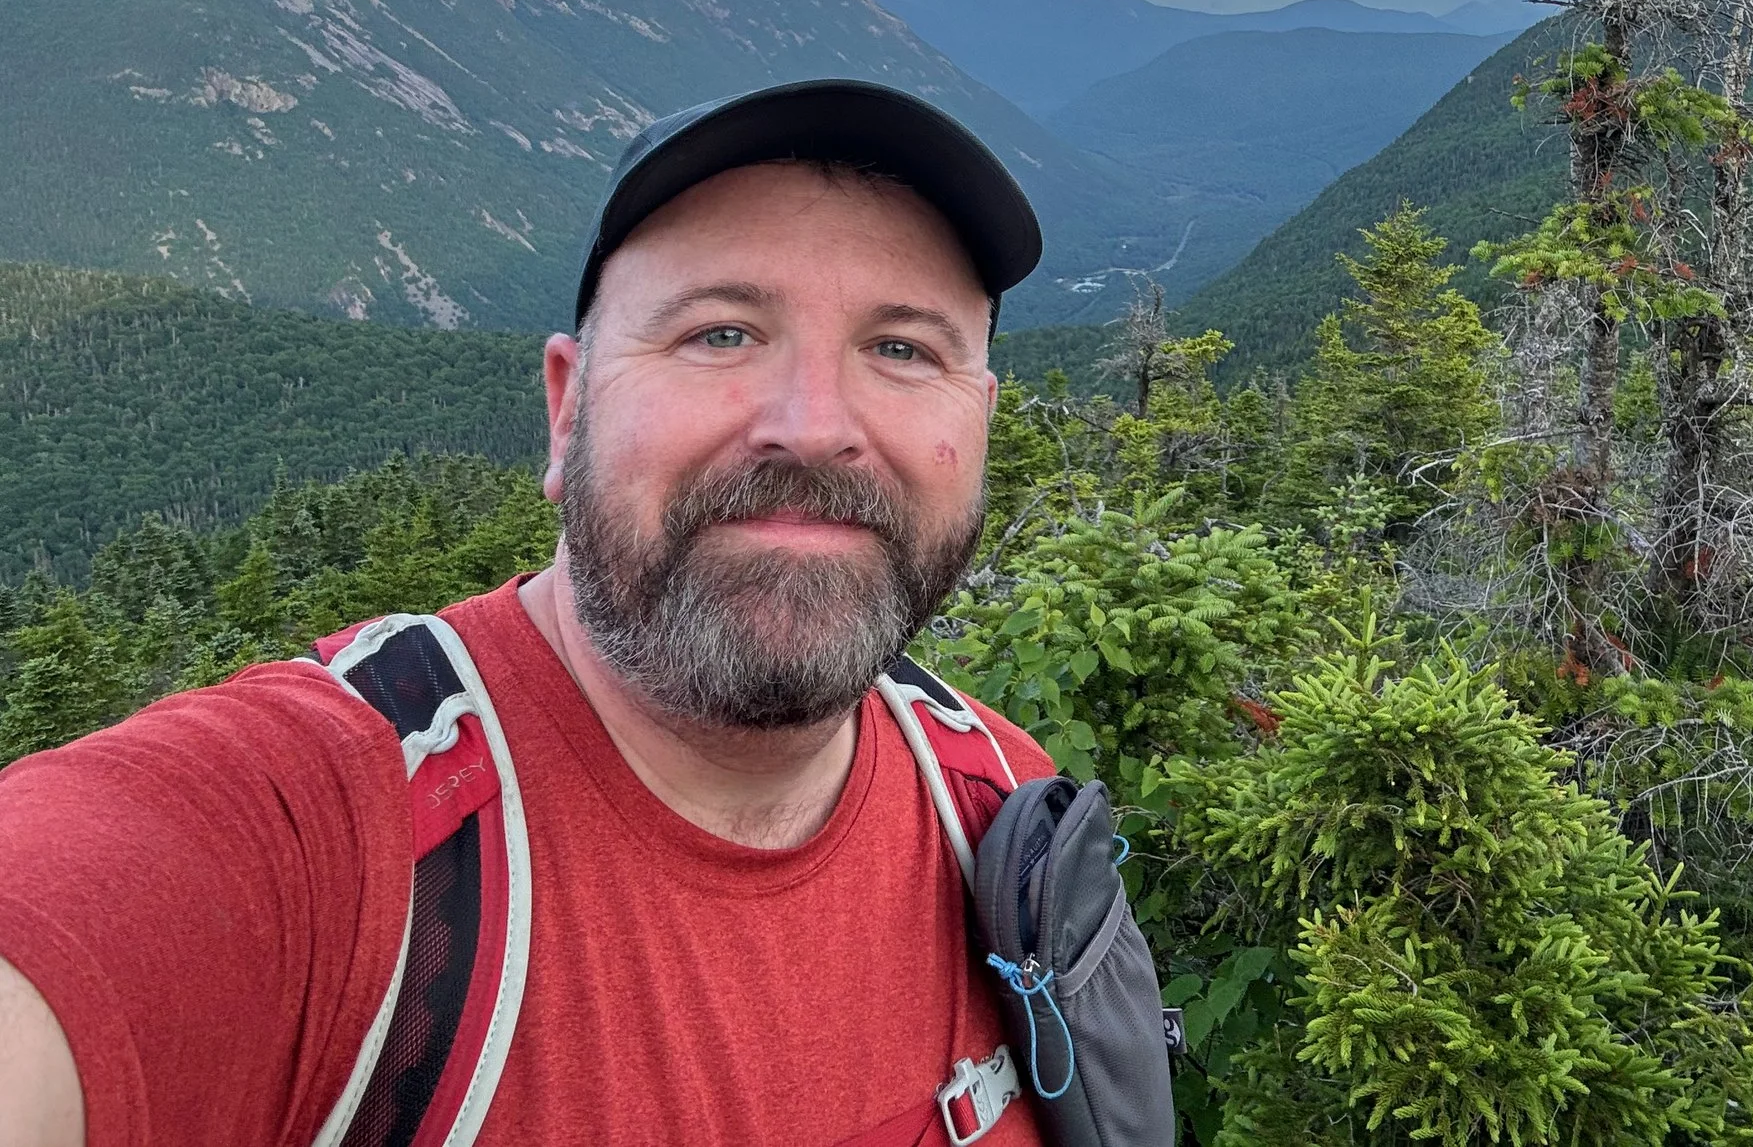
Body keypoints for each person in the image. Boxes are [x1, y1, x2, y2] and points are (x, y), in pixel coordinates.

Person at [0, 79, 1060, 1147]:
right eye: (722, 334)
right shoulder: (326, 838)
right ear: (566, 412)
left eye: (903, 349)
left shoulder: (1003, 818)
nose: (815, 425)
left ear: (977, 426)